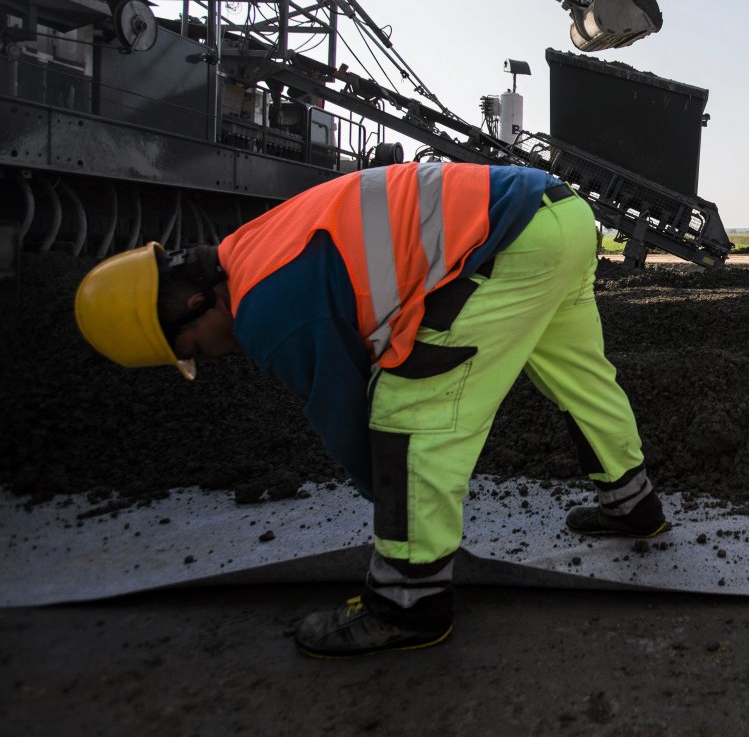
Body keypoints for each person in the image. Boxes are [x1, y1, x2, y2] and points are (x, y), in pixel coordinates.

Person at [73, 162, 668, 657]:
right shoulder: (245, 250)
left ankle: (409, 602)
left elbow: (348, 417)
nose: (211, 356)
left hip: (504, 238)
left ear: (194, 303)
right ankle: (633, 505)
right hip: (556, 212)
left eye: (194, 348)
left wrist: (397, 506)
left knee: (410, 411)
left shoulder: (264, 312)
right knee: (582, 379)